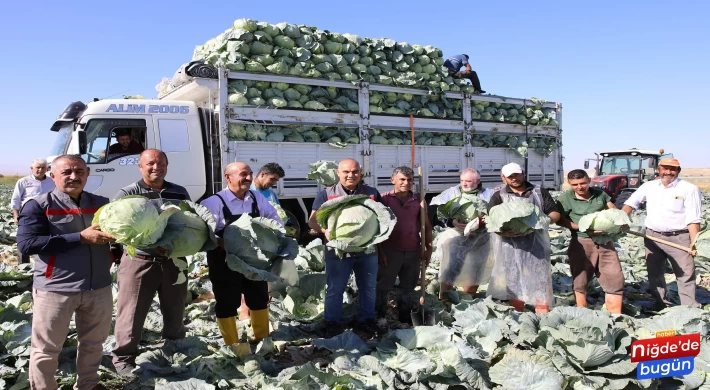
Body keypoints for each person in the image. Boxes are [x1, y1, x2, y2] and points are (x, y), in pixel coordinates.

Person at [17, 155, 115, 390]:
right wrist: (79, 238)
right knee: (46, 348)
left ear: (87, 174)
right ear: (53, 176)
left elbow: (116, 238)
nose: (74, 176)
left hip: (98, 287)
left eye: (79, 171)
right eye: (66, 172)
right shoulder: (38, 205)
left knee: (93, 343)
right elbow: (27, 245)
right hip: (56, 288)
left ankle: (88, 384)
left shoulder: (102, 203)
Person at [111, 149, 192, 376]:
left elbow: (189, 221)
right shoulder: (128, 194)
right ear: (140, 166)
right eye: (150, 163)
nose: (156, 167)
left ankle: (173, 348)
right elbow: (115, 228)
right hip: (140, 260)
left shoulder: (179, 191)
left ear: (167, 165)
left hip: (174, 260)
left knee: (175, 309)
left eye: (161, 163)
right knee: (132, 312)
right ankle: (123, 358)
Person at [201, 162, 283, 354]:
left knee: (259, 298)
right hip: (224, 261)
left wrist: (272, 238)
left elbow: (275, 221)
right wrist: (225, 242)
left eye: (249, 174)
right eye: (242, 174)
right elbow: (205, 234)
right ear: (227, 177)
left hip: (254, 260)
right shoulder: (213, 203)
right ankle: (232, 343)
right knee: (226, 301)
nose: (247, 178)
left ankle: (261, 338)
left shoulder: (257, 199)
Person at [308, 158, 383, 338]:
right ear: (338, 173)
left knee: (368, 288)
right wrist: (325, 231)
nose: (351, 175)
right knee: (335, 288)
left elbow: (382, 218)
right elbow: (312, 221)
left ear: (361, 173)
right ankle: (332, 322)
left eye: (355, 172)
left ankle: (366, 320)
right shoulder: (326, 194)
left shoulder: (371, 193)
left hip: (367, 250)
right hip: (337, 251)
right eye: (346, 172)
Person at [622, 157, 702, 309]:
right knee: (655, 273)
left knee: (685, 274)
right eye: (665, 168)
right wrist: (620, 219)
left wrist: (693, 242)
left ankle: (690, 308)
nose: (668, 172)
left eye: (673, 169)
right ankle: (661, 303)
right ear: (658, 169)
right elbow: (630, 203)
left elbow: (693, 219)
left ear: (678, 171)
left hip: (679, 237)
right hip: (652, 236)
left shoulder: (689, 189)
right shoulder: (649, 186)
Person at [486, 162, 560, 314]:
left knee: (540, 279)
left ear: (523, 172)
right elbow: (490, 218)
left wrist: (541, 222)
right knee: (513, 280)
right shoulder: (498, 195)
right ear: (503, 178)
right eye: (510, 176)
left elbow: (555, 213)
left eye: (517, 174)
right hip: (509, 245)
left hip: (536, 243)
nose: (514, 178)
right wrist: (503, 232)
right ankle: (518, 313)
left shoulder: (539, 191)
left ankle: (542, 314)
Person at [556, 169, 625, 314]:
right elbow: (560, 220)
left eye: (583, 183)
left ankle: (616, 316)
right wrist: (578, 226)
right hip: (582, 241)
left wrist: (618, 221)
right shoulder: (565, 198)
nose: (579, 187)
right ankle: (583, 312)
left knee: (614, 276)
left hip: (605, 241)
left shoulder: (600, 194)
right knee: (581, 278)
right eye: (575, 184)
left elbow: (613, 210)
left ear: (589, 180)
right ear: (569, 184)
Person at [375, 166, 433, 324]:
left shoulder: (418, 200)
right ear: (392, 180)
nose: (406, 183)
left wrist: (429, 248)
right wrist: (380, 251)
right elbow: (376, 229)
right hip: (390, 251)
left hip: (413, 250)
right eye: (402, 179)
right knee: (383, 286)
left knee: (407, 287)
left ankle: (405, 317)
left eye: (409, 180)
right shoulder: (384, 199)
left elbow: (426, 227)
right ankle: (379, 316)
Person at [431, 168, 495, 298]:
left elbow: (496, 213)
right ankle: (444, 299)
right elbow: (438, 214)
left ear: (478, 181)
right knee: (450, 269)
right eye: (462, 180)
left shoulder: (489, 194)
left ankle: (468, 297)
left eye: (468, 181)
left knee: (476, 269)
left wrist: (482, 220)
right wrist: (452, 222)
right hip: (456, 236)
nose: (464, 184)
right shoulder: (451, 193)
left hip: (481, 237)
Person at [11, 158, 55, 263]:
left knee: (46, 238)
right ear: (32, 168)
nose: (40, 170)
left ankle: (44, 264)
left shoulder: (52, 181)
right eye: (37, 167)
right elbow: (16, 199)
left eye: (43, 167)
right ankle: (23, 265)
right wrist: (16, 215)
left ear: (47, 168)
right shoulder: (23, 181)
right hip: (28, 215)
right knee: (25, 239)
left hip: (47, 214)